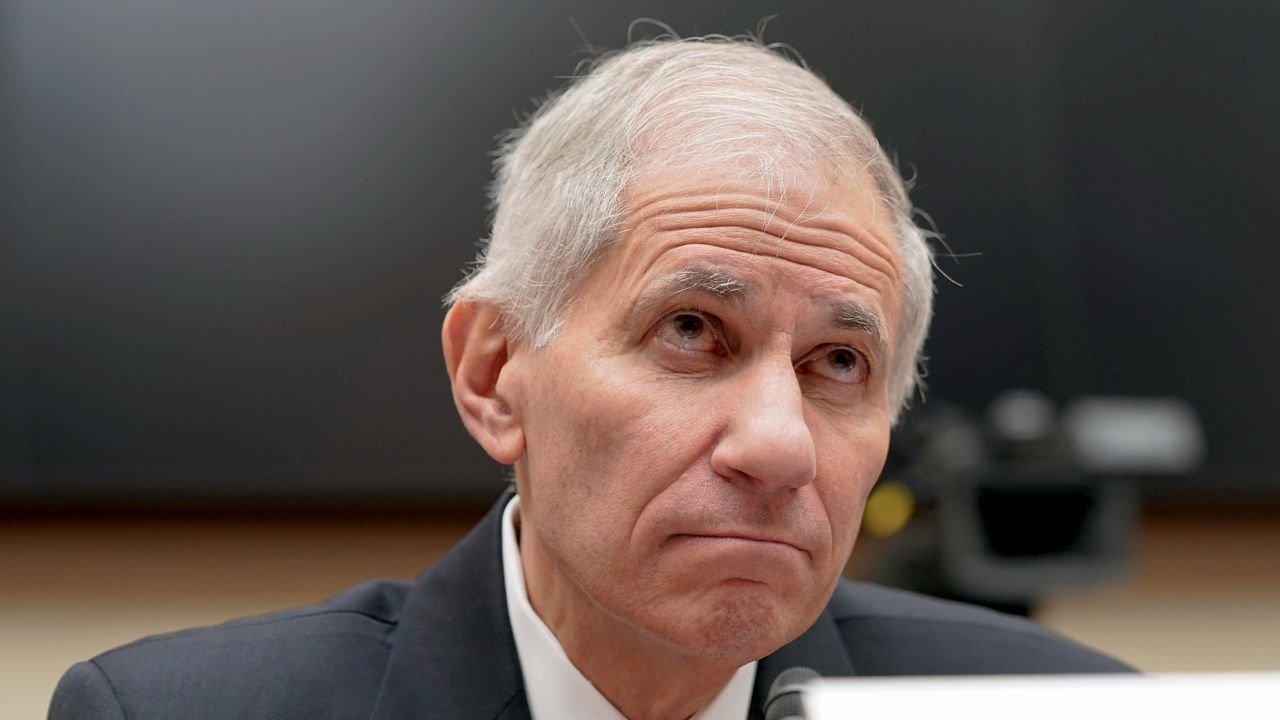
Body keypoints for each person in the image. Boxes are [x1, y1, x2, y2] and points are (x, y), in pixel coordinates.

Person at [49, 36, 1129, 720]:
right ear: (491, 373)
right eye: (692, 331)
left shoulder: (1053, 711)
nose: (778, 444)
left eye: (837, 363)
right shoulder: (171, 713)